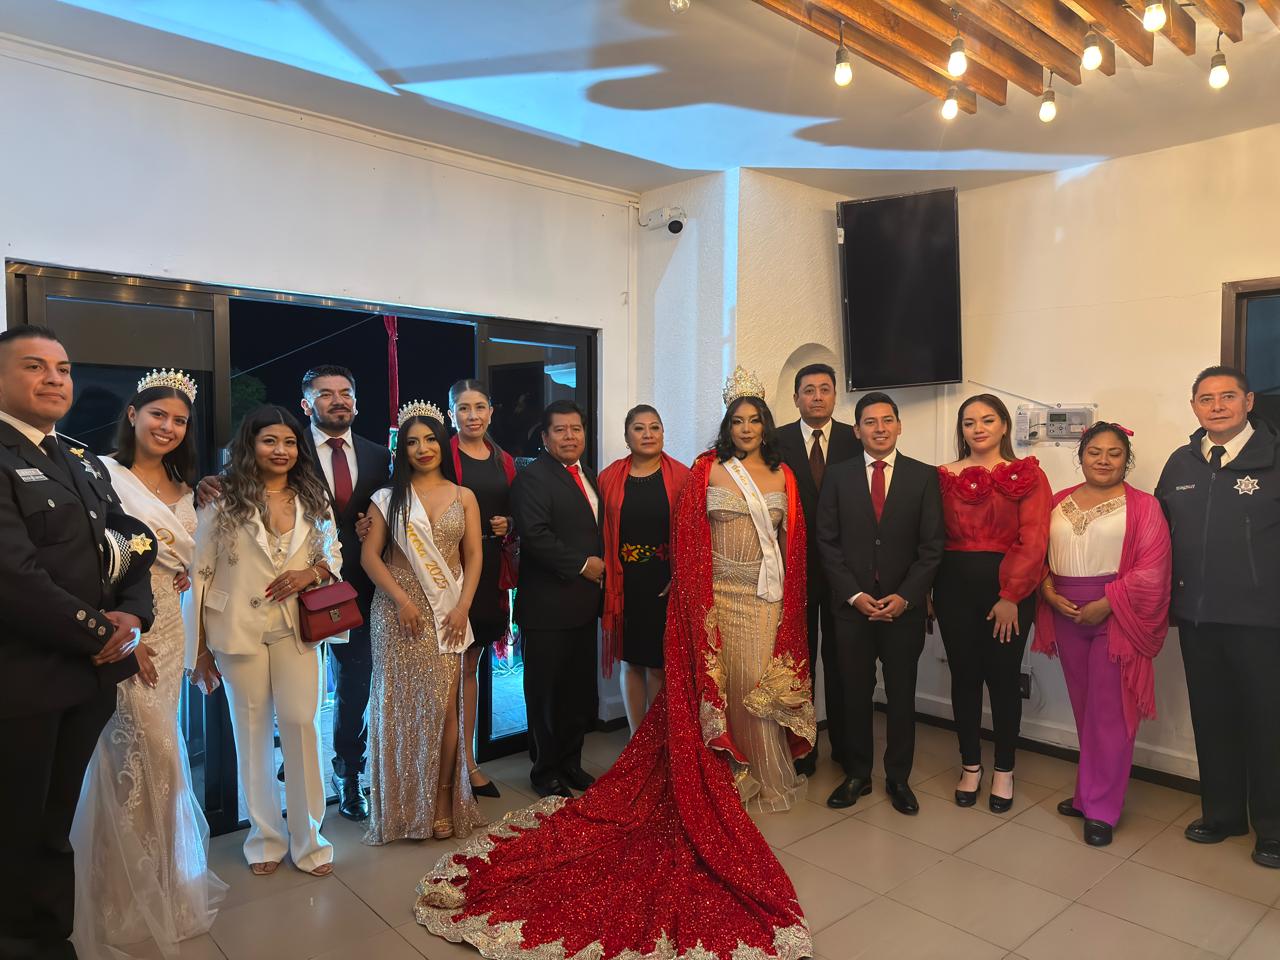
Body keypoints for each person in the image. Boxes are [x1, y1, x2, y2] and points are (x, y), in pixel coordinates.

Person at [412, 366, 815, 960]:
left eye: (756, 420)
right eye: (739, 420)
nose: (748, 428)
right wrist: (606, 571)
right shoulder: (601, 475)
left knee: (735, 682)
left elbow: (774, 539)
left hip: (739, 591)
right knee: (599, 683)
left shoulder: (724, 473)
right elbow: (556, 533)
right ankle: (556, 767)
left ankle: (725, 765)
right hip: (645, 590)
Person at [0, 326, 155, 960]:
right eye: (34, 366)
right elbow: (13, 577)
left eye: (62, 368)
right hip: (24, 682)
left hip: (88, 680)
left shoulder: (81, 459)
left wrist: (135, 615)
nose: (54, 379)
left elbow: (133, 543)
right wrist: (99, 632)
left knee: (53, 823)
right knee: (15, 829)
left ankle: (48, 939)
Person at [73, 370, 227, 957]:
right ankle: (121, 895)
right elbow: (92, 563)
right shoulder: (102, 477)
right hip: (129, 634)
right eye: (158, 414)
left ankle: (161, 884)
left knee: (159, 763)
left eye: (179, 420)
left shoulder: (190, 488)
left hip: (173, 627)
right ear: (133, 415)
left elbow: (190, 561)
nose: (168, 427)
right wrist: (126, 639)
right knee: (143, 758)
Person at [198, 365, 390, 821]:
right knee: (280, 712)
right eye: (326, 393)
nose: (338, 400)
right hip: (270, 605)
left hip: (351, 591)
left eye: (346, 392)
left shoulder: (379, 455)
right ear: (307, 404)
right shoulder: (290, 447)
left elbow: (388, 508)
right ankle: (281, 785)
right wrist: (203, 484)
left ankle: (348, 774)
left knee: (352, 691)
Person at [187, 405, 341, 877]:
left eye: (289, 442)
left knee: (302, 723)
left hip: (297, 627)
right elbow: (200, 572)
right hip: (237, 629)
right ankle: (264, 840)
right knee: (251, 733)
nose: (281, 450)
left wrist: (311, 573)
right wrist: (199, 649)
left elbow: (333, 554)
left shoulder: (314, 496)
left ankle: (310, 840)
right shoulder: (221, 497)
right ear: (250, 445)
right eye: (270, 441)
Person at [1156, 365, 1280, 869]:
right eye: (1206, 399)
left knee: (1268, 724)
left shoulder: (1274, 456)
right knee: (1212, 719)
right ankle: (1223, 814)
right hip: (1198, 619)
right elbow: (1158, 536)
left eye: (1228, 396)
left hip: (1263, 623)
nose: (1217, 406)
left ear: (1249, 402)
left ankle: (1273, 827)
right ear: (1194, 407)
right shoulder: (1181, 463)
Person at [1033, 423, 1171, 847]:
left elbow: (1153, 569)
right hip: (1065, 611)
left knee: (1110, 714)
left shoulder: (1144, 506)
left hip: (1117, 615)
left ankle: (1102, 809)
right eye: (1095, 452)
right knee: (1085, 708)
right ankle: (1087, 794)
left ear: (1126, 459)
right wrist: (1048, 592)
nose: (1104, 460)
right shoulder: (1058, 501)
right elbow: (1036, 554)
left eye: (1114, 453)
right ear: (1081, 456)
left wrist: (1109, 602)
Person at [361, 400, 485, 843]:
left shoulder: (464, 496)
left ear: (442, 443)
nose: (423, 448)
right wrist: (401, 601)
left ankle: (442, 800)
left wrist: (463, 606)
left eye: (430, 438)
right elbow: (370, 556)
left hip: (447, 609)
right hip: (396, 612)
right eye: (413, 442)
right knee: (397, 707)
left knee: (445, 707)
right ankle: (400, 805)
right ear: (403, 450)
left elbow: (474, 556)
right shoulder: (386, 498)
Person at [816, 391, 944, 815]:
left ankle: (898, 778)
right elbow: (826, 542)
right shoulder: (837, 476)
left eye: (887, 420)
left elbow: (932, 547)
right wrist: (854, 595)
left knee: (902, 695)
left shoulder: (923, 477)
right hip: (851, 609)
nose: (880, 428)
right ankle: (857, 774)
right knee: (853, 692)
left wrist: (906, 596)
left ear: (899, 426)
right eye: (870, 422)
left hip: (902, 609)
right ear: (857, 431)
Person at [934, 394, 1050, 813]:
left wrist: (1011, 596)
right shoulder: (942, 475)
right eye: (969, 422)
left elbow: (1034, 538)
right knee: (963, 677)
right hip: (952, 590)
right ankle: (970, 765)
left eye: (987, 420)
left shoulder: (1029, 475)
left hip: (1008, 593)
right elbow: (930, 538)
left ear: (1004, 425)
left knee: (1002, 679)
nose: (978, 429)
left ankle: (1004, 769)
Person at [510, 399, 604, 798]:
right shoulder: (533, 478)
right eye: (560, 430)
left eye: (576, 429)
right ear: (545, 437)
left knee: (576, 691)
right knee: (545, 693)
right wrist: (583, 565)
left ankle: (570, 762)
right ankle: (544, 770)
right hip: (547, 607)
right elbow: (536, 536)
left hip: (583, 606)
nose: (570, 436)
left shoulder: (588, 475)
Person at [777, 362, 859, 776]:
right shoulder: (775, 441)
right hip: (794, 567)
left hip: (845, 569)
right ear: (796, 398)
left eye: (825, 389)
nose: (817, 397)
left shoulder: (853, 438)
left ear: (834, 396)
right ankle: (801, 747)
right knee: (799, 660)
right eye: (808, 390)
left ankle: (845, 746)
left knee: (843, 658)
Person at [444, 379, 518, 800]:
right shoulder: (441, 455)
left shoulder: (503, 460)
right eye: (463, 408)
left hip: (489, 568)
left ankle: (468, 762)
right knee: (446, 670)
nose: (472, 415)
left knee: (470, 664)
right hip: (447, 569)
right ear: (451, 413)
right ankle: (444, 763)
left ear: (491, 411)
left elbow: (513, 509)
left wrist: (509, 524)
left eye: (479, 407)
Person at [598, 405, 691, 734]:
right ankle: (636, 738)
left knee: (658, 666)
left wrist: (679, 575)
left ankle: (657, 739)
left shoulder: (683, 477)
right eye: (639, 428)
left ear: (663, 433)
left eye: (655, 427)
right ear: (627, 437)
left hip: (665, 583)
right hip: (624, 584)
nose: (648, 434)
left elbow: (693, 534)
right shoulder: (609, 478)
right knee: (631, 662)